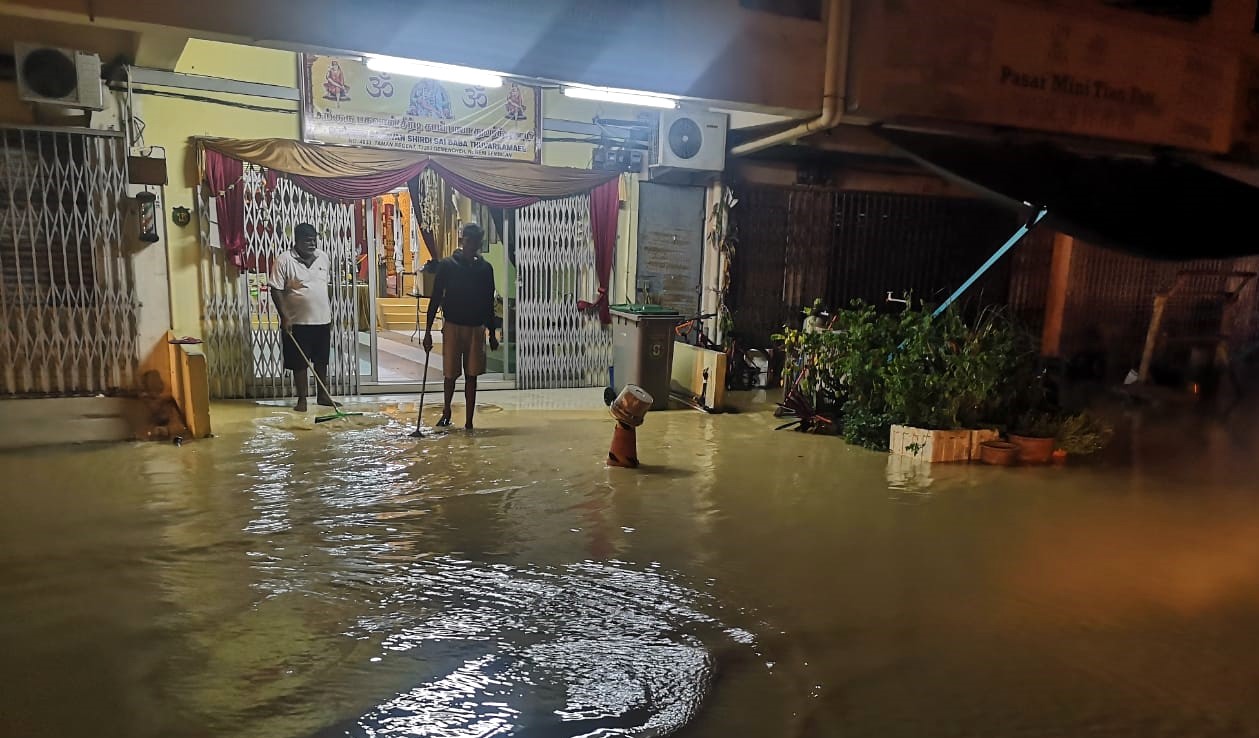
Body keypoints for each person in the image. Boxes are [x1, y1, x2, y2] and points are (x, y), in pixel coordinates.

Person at [423, 222, 499, 430]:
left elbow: (488, 302)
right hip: (453, 325)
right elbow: (436, 297)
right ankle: (446, 410)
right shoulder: (447, 265)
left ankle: (468, 421)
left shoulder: (485, 269)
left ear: (479, 244)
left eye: (475, 242)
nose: (471, 246)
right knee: (450, 374)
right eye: (468, 241)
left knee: (472, 376)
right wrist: (428, 331)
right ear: (462, 240)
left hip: (476, 327)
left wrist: (492, 333)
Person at [269, 223, 335, 412]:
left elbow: (324, 286)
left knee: (322, 360)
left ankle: (323, 396)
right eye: (307, 240)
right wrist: (285, 317)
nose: (312, 243)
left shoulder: (323, 257)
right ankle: (302, 400)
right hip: (297, 322)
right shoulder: (284, 260)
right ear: (297, 241)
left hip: (322, 320)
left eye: (314, 239)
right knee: (299, 362)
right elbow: (276, 289)